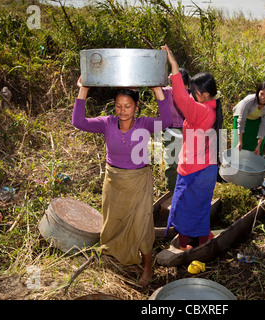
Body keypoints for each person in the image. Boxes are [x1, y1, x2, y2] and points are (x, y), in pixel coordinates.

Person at [72, 76, 172, 286]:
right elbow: (78, 122)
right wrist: (83, 90)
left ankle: (147, 267)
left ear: (136, 106)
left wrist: (157, 91)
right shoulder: (107, 123)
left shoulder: (144, 124)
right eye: (118, 106)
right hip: (114, 181)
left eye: (127, 106)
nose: (122, 110)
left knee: (142, 224)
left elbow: (168, 121)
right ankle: (112, 257)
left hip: (138, 182)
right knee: (112, 221)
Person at [162, 45, 223, 250]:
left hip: (194, 170)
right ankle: (204, 237)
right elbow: (186, 99)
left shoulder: (201, 112)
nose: (191, 94)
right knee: (199, 207)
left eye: (194, 91)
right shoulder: (210, 108)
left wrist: (174, 66)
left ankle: (184, 245)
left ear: (204, 94)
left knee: (184, 209)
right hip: (206, 169)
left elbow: (180, 98)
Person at [162, 68, 190, 191]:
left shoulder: (190, 93)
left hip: (187, 130)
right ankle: (172, 189)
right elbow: (156, 86)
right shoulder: (167, 92)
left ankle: (182, 187)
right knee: (172, 162)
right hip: (171, 131)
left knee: (184, 162)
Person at [232, 81, 265, 156]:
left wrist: (258, 146)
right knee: (239, 144)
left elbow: (264, 125)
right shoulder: (249, 101)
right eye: (261, 94)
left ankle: (253, 160)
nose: (263, 97)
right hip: (241, 118)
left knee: (255, 143)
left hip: (256, 119)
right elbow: (241, 121)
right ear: (258, 92)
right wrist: (240, 142)